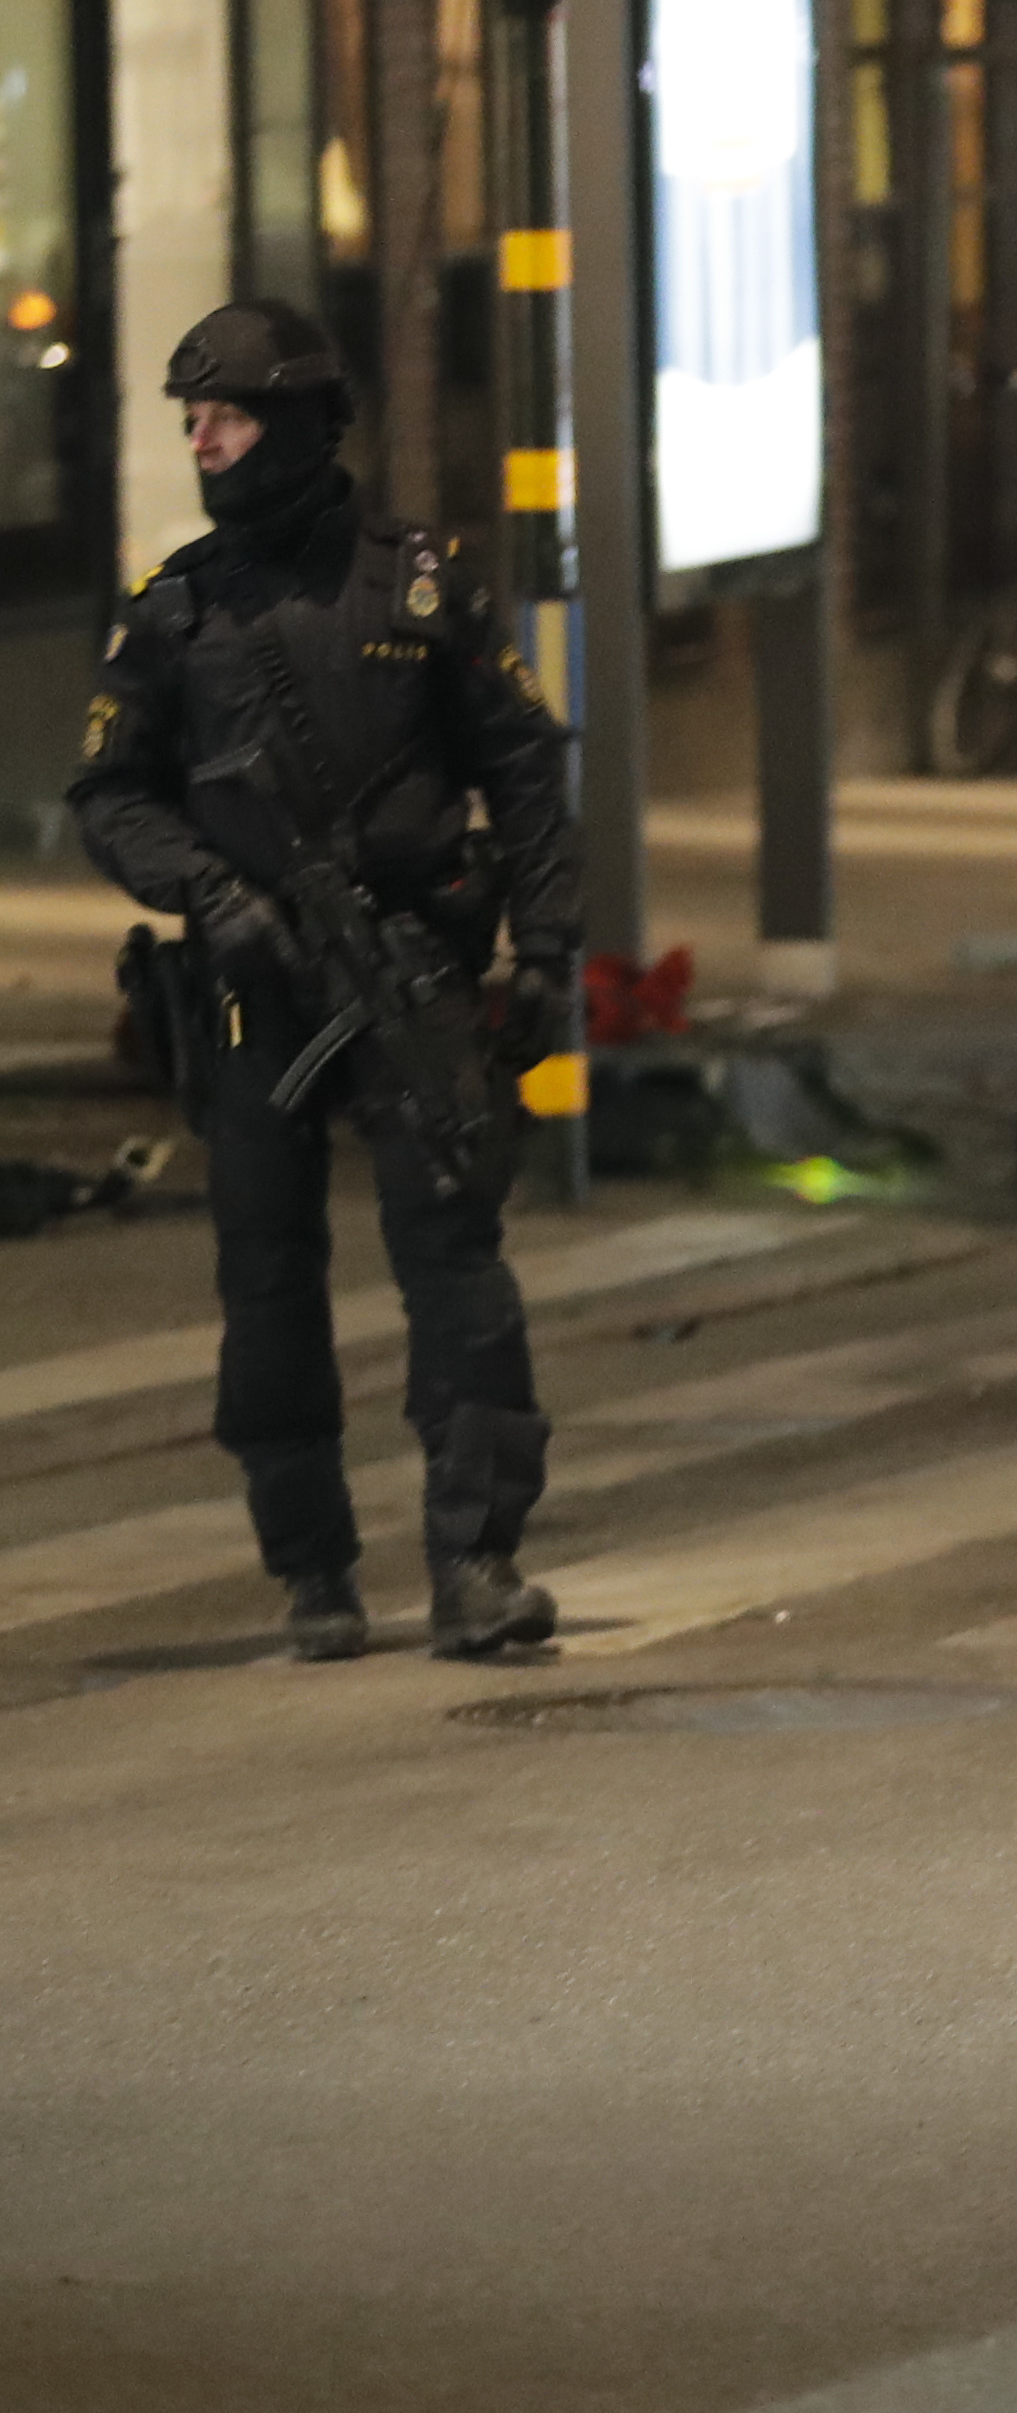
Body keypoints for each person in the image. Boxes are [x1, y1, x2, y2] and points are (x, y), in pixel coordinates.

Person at [68, 300, 578, 1663]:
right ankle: (312, 1569)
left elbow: (523, 763)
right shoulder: (175, 607)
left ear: (295, 423)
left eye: (225, 418)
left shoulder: (420, 579)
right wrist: (209, 890)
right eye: (190, 423)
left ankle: (476, 1558)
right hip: (256, 987)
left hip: (411, 964)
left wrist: (549, 948)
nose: (205, 443)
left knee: (455, 1261)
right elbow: (109, 795)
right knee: (267, 1274)